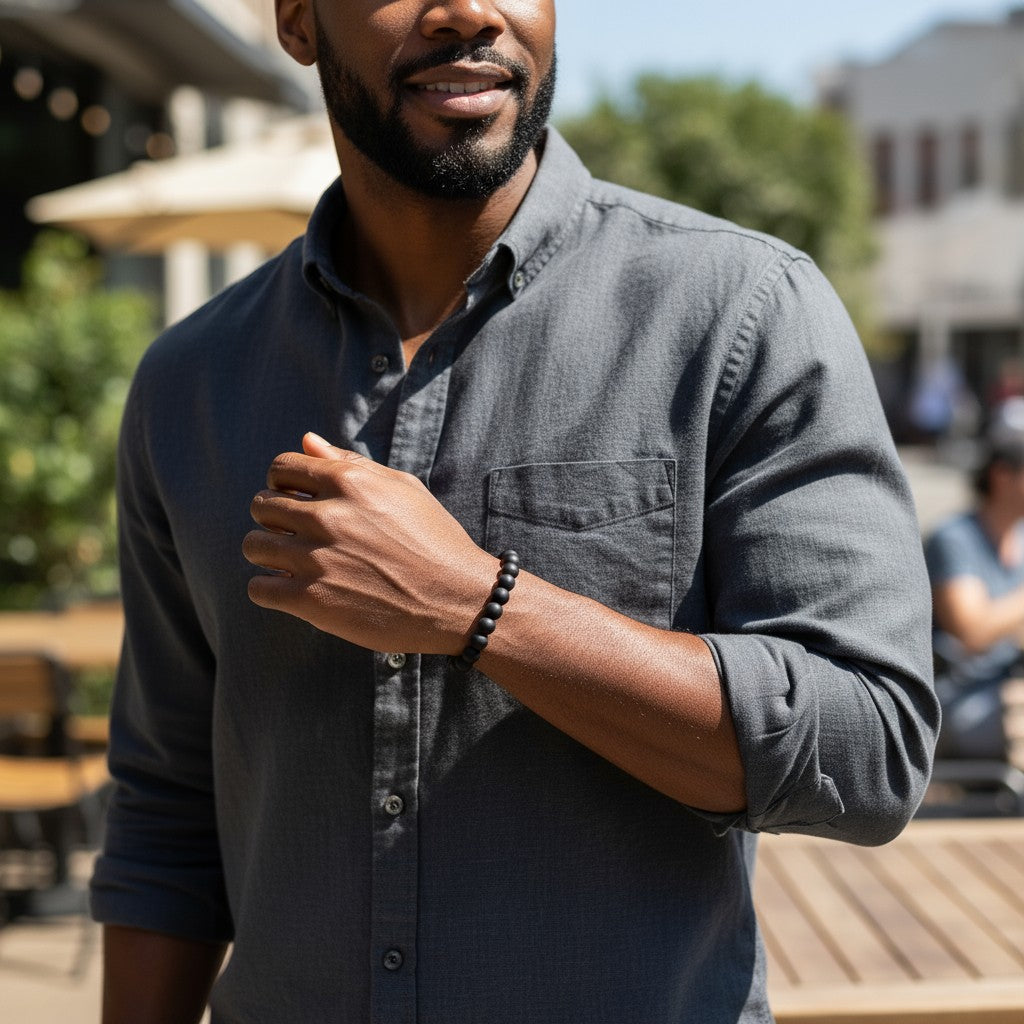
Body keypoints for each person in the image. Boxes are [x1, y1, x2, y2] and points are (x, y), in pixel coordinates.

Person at [92, 1, 938, 1021]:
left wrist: (478, 606)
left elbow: (869, 746)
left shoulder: (740, 313)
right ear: (298, 21)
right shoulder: (194, 383)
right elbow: (167, 814)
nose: (467, 11)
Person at [926, 400, 1024, 760]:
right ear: (1002, 475)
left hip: (1009, 690)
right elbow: (971, 631)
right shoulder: (956, 538)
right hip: (957, 698)